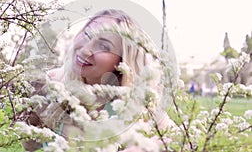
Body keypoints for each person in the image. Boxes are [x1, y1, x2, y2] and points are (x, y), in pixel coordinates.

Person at [22, 9, 175, 152]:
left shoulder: (136, 102)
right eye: (87, 34)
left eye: (103, 46)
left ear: (122, 61)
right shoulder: (52, 84)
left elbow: (176, 137)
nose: (86, 49)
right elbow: (28, 144)